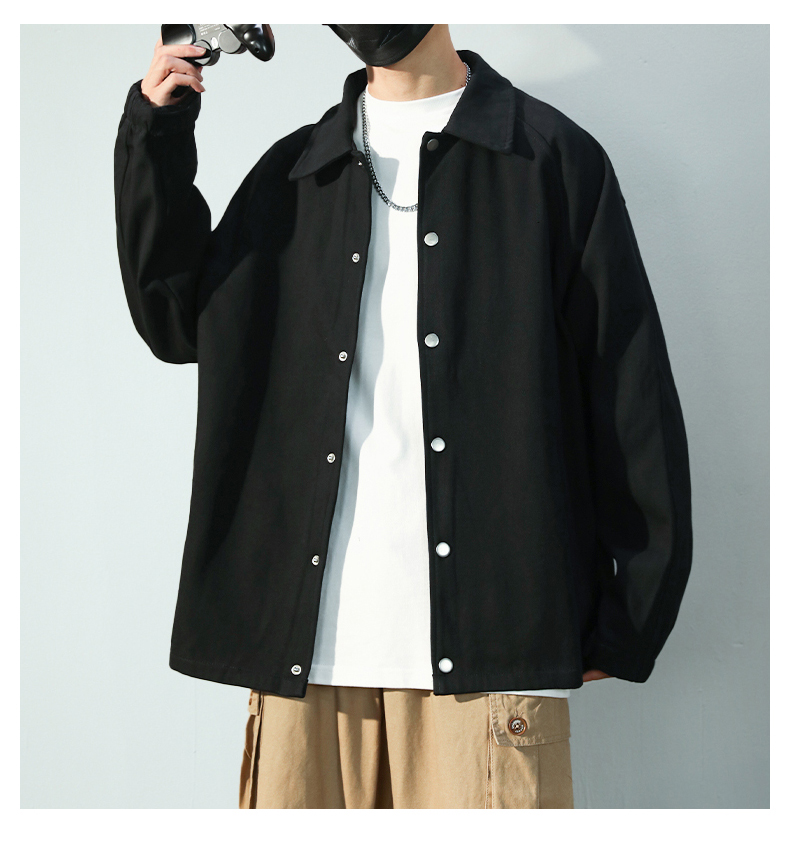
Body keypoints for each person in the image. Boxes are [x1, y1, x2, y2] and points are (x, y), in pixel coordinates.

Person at [114, 24, 693, 809]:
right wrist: (156, 134)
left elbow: (628, 387)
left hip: (492, 649)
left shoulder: (549, 158)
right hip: (303, 655)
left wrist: (632, 614)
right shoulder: (293, 173)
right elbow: (176, 323)